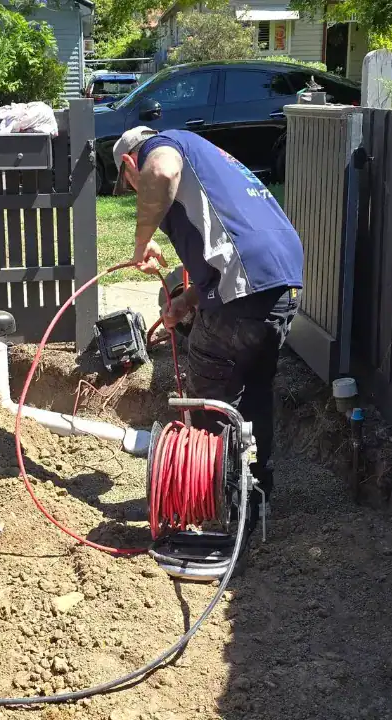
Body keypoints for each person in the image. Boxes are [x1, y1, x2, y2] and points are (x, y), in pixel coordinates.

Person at [113, 126, 303, 537]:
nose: (135, 191)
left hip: (246, 291)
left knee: (211, 391)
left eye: (130, 184)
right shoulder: (208, 157)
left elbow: (160, 172)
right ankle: (255, 499)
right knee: (254, 392)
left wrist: (141, 243)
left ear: (130, 164)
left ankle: (214, 500)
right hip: (280, 286)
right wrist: (187, 300)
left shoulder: (161, 149)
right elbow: (234, 251)